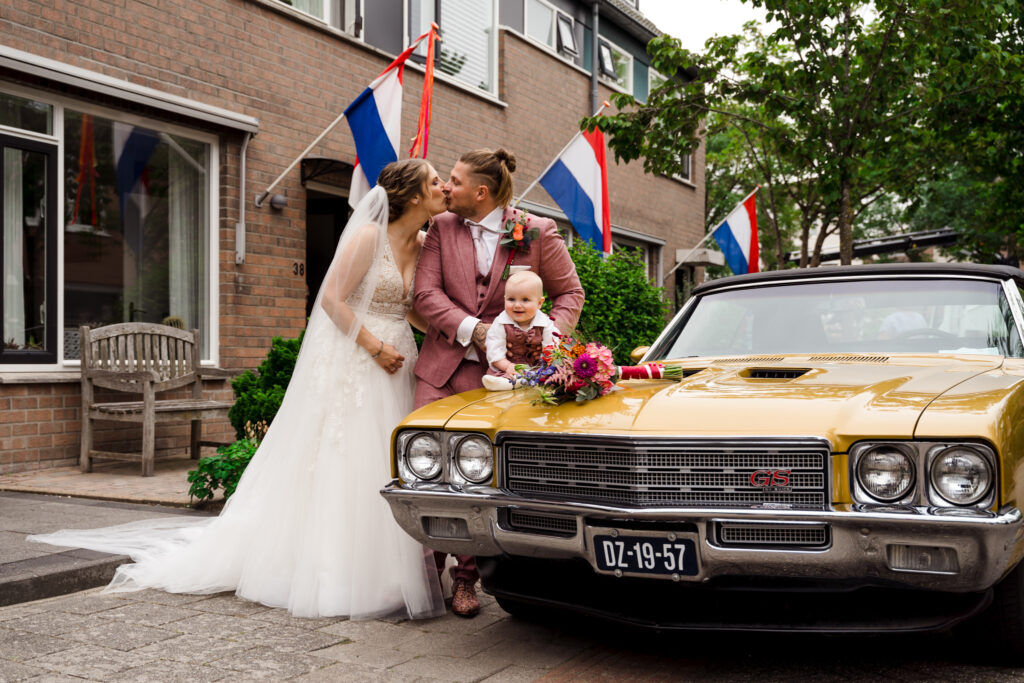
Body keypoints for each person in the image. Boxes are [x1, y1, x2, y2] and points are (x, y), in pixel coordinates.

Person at [28, 159, 449, 620]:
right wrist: (373, 346)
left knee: (388, 461)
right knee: (348, 458)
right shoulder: (369, 237)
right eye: (434, 181)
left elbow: (409, 308)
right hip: (361, 358)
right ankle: (336, 575)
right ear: (411, 195)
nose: (443, 186)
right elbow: (330, 299)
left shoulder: (425, 243)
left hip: (399, 359)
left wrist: (453, 340)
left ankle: (390, 574)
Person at [413, 147, 585, 616]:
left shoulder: (536, 232)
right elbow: (425, 294)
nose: (446, 187)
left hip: (499, 379)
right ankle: (426, 577)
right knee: (426, 469)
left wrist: (545, 340)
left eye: (454, 180)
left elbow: (570, 292)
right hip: (438, 369)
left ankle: (466, 582)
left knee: (475, 478)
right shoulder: (442, 230)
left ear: (482, 192)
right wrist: (475, 329)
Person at [481, 269, 557, 391]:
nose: (517, 305)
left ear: (539, 303)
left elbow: (552, 347)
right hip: (509, 368)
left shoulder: (545, 324)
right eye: (511, 299)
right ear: (504, 299)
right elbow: (494, 350)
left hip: (537, 368)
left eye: (525, 300)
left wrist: (545, 366)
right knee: (504, 376)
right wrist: (508, 366)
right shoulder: (501, 322)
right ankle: (507, 382)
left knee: (551, 374)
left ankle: (534, 380)